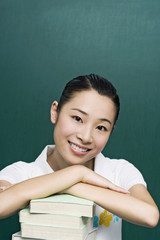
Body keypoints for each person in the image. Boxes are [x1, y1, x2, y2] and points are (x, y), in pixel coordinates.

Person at [0, 74, 159, 240]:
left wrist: (70, 184)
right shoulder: (20, 172)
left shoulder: (119, 171)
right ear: (55, 111)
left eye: (101, 127)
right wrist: (78, 174)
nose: (85, 137)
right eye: (77, 118)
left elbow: (149, 215)